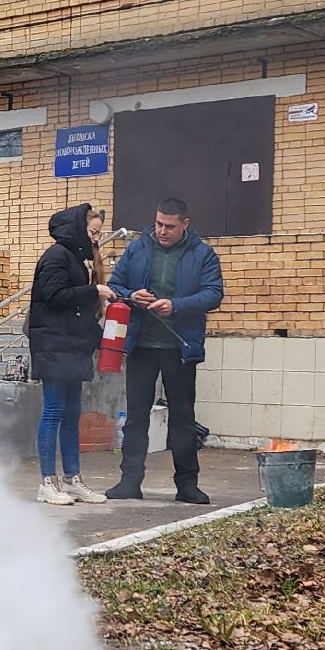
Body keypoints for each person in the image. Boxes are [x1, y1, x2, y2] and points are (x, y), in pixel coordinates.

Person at [106, 198, 223, 505]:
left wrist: (176, 306)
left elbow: (214, 293)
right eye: (158, 223)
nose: (162, 231)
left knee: (183, 419)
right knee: (135, 418)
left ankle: (187, 486)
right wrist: (133, 295)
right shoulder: (138, 248)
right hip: (141, 345)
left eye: (169, 226)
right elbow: (114, 285)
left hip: (180, 349)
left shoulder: (203, 254)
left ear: (185, 224)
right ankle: (129, 482)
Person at [29, 205, 112, 506]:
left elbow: (77, 311)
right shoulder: (57, 256)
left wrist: (99, 338)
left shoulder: (80, 259)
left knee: (72, 413)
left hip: (73, 345)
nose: (96, 238)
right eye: (93, 232)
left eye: (99, 233)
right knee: (53, 410)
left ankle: (72, 479)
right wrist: (94, 292)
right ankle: (47, 482)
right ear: (78, 228)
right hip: (53, 344)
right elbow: (54, 296)